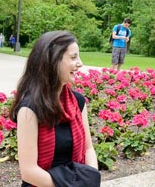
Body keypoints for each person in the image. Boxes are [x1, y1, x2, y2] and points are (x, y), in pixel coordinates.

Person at [9, 31, 99, 187]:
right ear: (53, 61)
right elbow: (29, 171)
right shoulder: (30, 109)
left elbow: (88, 149)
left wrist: (90, 179)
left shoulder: (78, 101)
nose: (80, 63)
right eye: (73, 57)